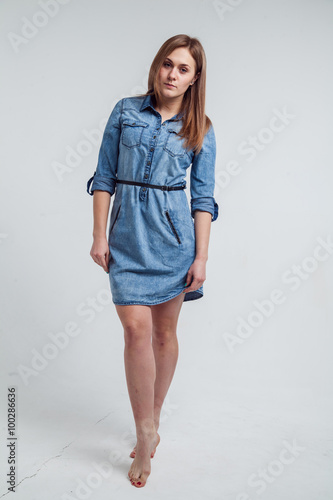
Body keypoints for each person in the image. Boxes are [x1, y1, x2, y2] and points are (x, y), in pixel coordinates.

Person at [86, 34, 219, 488]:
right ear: (157, 67)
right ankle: (144, 431)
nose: (172, 74)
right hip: (126, 238)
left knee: (164, 333)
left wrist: (201, 257)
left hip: (173, 239)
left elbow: (203, 198)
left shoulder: (201, 126)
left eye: (183, 69)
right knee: (134, 329)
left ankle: (153, 418)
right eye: (167, 64)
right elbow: (104, 176)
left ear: (194, 79)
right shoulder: (125, 111)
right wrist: (99, 235)